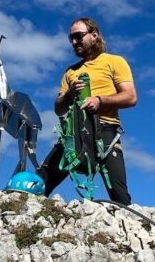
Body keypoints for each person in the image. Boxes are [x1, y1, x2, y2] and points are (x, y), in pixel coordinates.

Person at [37, 17, 137, 205]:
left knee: (120, 196)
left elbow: (131, 97)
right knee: (42, 181)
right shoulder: (70, 72)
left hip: (106, 131)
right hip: (74, 134)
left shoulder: (114, 62)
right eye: (71, 38)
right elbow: (59, 109)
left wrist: (100, 100)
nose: (74, 42)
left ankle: (129, 226)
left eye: (78, 36)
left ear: (94, 35)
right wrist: (69, 95)